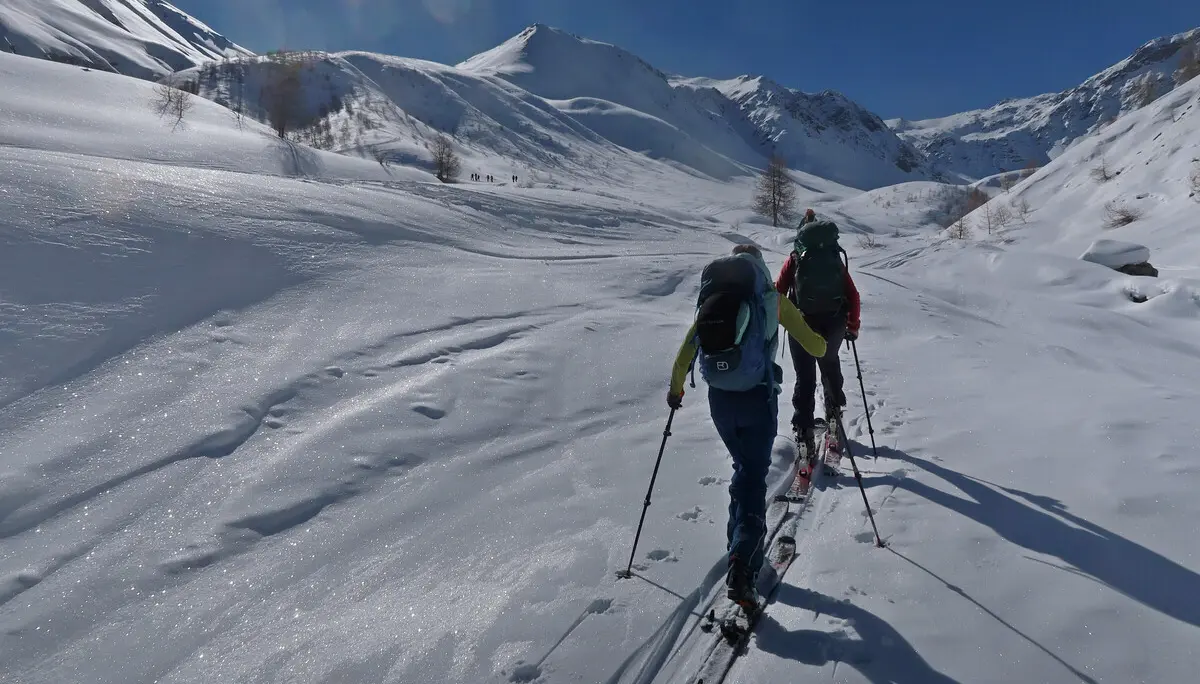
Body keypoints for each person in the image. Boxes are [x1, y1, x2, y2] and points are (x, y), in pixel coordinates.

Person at [666, 244, 827, 610]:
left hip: (720, 402)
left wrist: (675, 393)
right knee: (753, 478)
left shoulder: (716, 300)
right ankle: (744, 564)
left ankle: (738, 549)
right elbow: (815, 348)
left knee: (742, 471)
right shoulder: (771, 301)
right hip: (758, 399)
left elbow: (683, 358)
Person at [774, 211, 860, 455]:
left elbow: (778, 292)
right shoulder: (835, 259)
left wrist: (781, 320)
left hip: (802, 324)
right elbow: (853, 295)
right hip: (833, 323)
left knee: (805, 376)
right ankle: (833, 414)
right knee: (830, 364)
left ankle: (803, 432)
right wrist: (852, 327)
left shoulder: (795, 259)